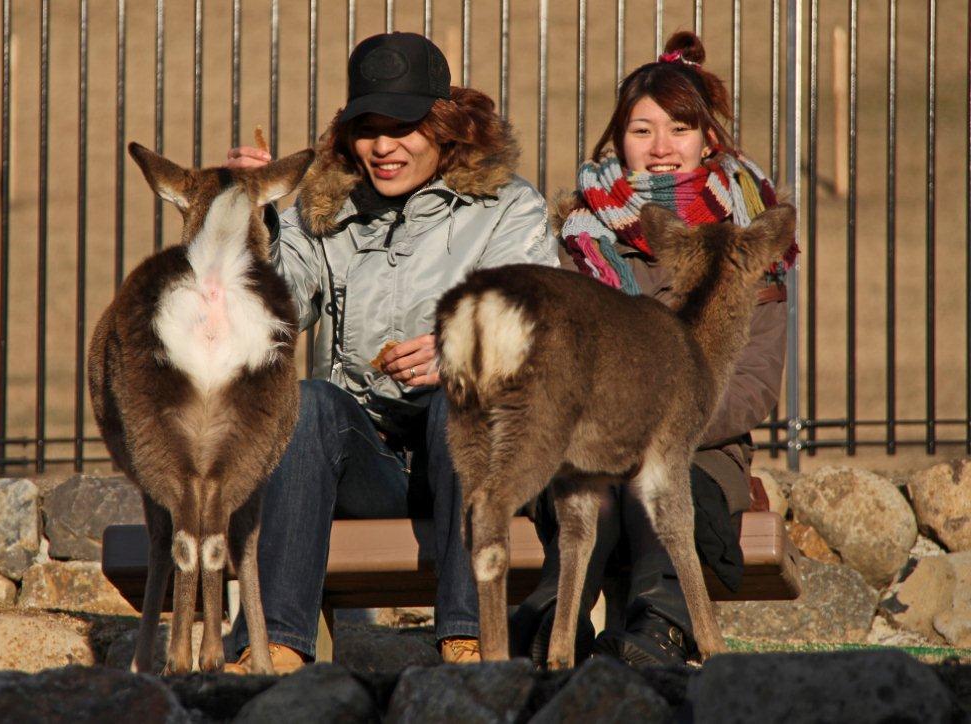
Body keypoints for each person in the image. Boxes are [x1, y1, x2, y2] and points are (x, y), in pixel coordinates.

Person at [222, 32, 557, 673]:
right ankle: (277, 643)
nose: (383, 147)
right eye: (367, 129)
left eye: (402, 127)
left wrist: (461, 350)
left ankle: (469, 634)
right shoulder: (318, 212)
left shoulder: (510, 208)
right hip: (364, 463)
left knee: (460, 400)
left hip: (473, 459)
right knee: (311, 402)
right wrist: (252, 215)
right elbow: (270, 318)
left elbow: (540, 324)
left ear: (444, 127)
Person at [510, 30, 797, 668]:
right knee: (584, 490)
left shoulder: (747, 243)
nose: (662, 148)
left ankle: (660, 626)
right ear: (618, 142)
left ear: (708, 140)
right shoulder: (577, 240)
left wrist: (660, 427)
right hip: (589, 436)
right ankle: (551, 625)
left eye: (680, 128)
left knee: (671, 486)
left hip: (703, 442)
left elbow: (754, 384)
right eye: (642, 131)